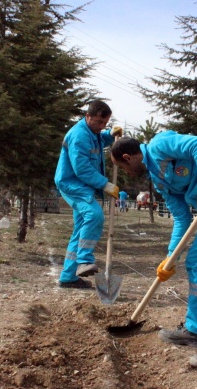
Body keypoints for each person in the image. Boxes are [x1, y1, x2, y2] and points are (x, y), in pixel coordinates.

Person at [110, 131, 197, 373]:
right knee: (195, 262)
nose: (126, 173)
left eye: (123, 168)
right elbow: (181, 219)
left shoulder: (160, 145)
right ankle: (194, 331)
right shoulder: (158, 180)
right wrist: (170, 257)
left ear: (127, 157)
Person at [54, 100, 122, 289]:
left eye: (105, 123)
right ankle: (84, 261)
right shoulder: (79, 135)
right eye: (99, 122)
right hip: (72, 183)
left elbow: (99, 141)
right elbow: (82, 168)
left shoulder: (93, 132)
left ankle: (68, 277)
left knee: (80, 229)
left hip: (83, 184)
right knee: (94, 215)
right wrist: (105, 184)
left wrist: (110, 135)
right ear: (87, 117)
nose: (102, 127)